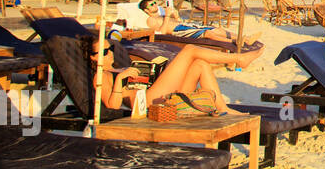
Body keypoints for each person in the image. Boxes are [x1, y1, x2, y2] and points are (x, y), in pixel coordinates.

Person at [98, 37, 242, 115]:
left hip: (158, 94)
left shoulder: (119, 67)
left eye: (110, 49)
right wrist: (119, 80)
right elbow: (113, 106)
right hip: (149, 103)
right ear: (93, 58)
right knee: (189, 50)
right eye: (104, 52)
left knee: (200, 64)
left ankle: (223, 108)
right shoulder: (102, 76)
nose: (110, 53)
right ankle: (238, 59)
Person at [136, 0, 262, 61]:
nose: (155, 5)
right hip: (179, 32)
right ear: (146, 10)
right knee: (207, 33)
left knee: (217, 29)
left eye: (154, 2)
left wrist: (175, 15)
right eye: (152, 4)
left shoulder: (162, 13)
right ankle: (235, 42)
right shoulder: (151, 20)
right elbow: (162, 33)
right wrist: (168, 16)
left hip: (186, 26)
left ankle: (243, 38)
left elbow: (178, 21)